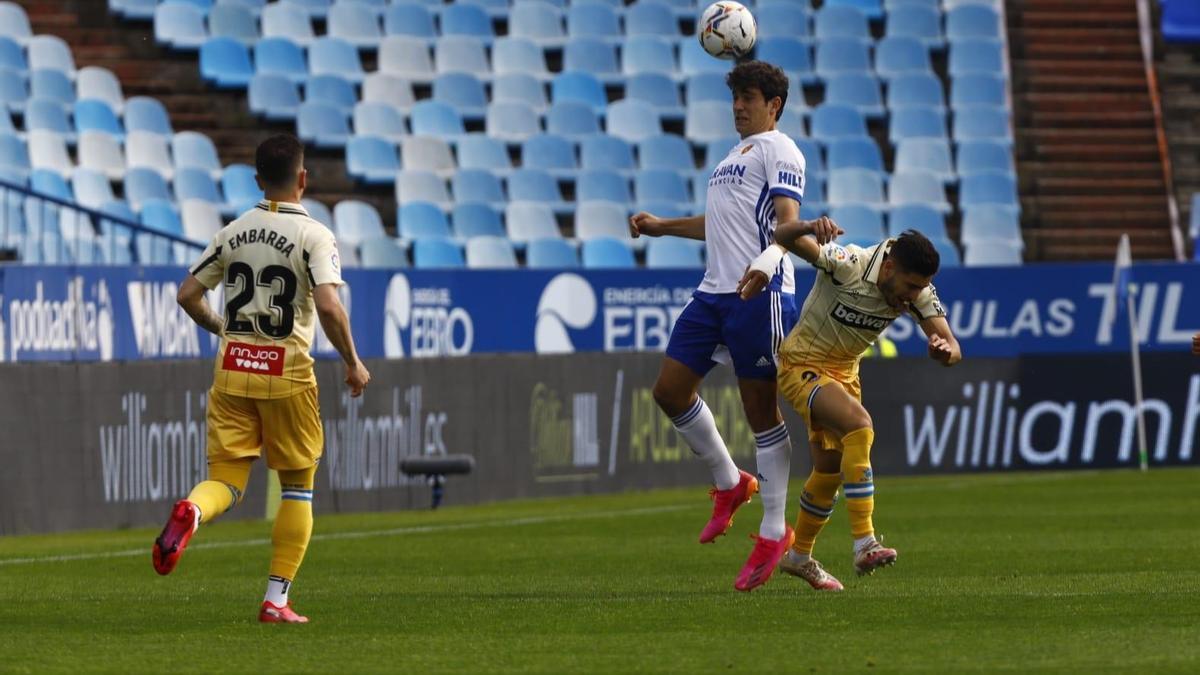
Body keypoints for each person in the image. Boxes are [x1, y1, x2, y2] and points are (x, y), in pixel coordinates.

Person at [629, 61, 833, 592]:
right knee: (669, 392)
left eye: (749, 97)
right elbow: (719, 224)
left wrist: (803, 230)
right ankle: (729, 482)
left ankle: (773, 531)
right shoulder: (730, 158)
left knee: (760, 414)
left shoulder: (779, 149)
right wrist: (661, 227)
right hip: (713, 293)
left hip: (757, 293)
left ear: (774, 105)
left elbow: (785, 221)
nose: (739, 106)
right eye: (735, 98)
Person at [152, 134, 370, 623]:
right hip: (287, 374)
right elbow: (331, 307)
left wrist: (222, 328)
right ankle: (276, 600)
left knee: (225, 482)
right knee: (297, 488)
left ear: (256, 180)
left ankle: (192, 510)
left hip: (233, 369)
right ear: (303, 178)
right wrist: (353, 362)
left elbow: (188, 294)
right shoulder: (315, 235)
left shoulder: (233, 232)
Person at [738, 227, 962, 591]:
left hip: (845, 377)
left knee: (828, 472)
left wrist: (943, 350)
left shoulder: (919, 293)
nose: (913, 297)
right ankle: (864, 543)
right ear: (888, 268)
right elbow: (786, 235)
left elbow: (954, 348)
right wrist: (810, 227)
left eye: (920, 288)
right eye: (909, 287)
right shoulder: (849, 264)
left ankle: (799, 557)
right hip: (802, 365)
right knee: (860, 424)